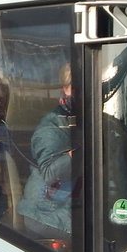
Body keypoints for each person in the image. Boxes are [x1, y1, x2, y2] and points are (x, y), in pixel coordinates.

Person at [17, 63, 77, 236]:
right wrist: (76, 154)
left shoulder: (76, 119)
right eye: (75, 87)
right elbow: (50, 174)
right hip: (45, 212)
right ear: (65, 89)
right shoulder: (49, 128)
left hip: (68, 201)